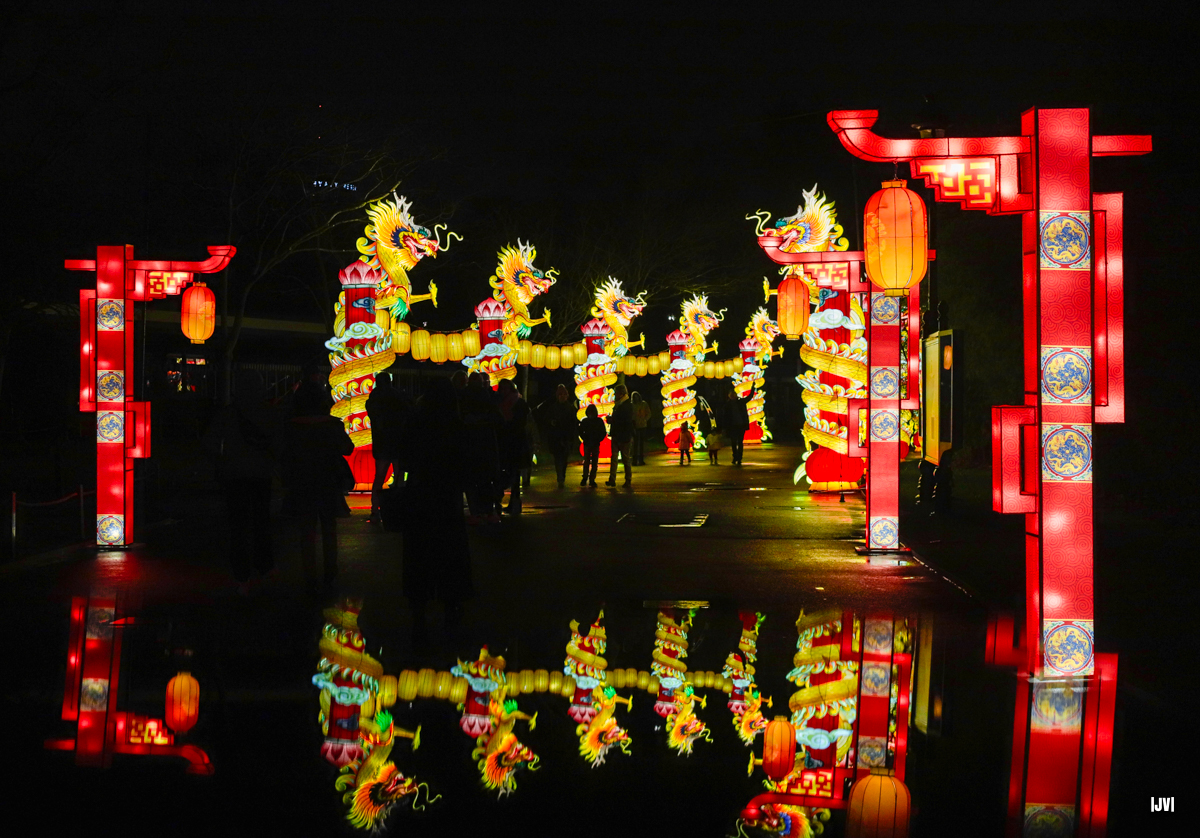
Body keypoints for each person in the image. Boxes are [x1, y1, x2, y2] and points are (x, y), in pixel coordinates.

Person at [400, 378, 473, 644]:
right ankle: (451, 604)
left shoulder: (416, 423)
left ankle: (418, 609)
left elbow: (405, 458)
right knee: (450, 551)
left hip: (420, 494)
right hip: (448, 497)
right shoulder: (456, 425)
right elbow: (466, 462)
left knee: (419, 553)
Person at [203, 369, 280, 596]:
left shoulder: (229, 413)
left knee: (238, 526)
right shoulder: (269, 412)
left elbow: (209, 442)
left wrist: (222, 461)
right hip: (261, 474)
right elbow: (279, 444)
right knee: (261, 521)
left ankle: (241, 575)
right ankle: (265, 565)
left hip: (234, 475)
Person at [280, 381, 354, 591]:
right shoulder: (332, 425)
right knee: (329, 528)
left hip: (302, 481)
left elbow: (282, 453)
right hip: (328, 480)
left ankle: (309, 574)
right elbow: (347, 449)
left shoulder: (292, 426)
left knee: (307, 530)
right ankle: (330, 570)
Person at [365, 371, 410, 524]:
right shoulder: (398, 397)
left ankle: (375, 510)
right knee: (399, 477)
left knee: (379, 477)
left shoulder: (373, 400)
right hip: (398, 442)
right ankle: (399, 509)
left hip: (381, 443)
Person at [461, 372, 501, 522]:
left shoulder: (464, 397)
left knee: (472, 481)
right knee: (485, 480)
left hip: (470, 445)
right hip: (485, 444)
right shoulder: (486, 397)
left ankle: (475, 512)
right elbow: (497, 418)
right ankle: (488, 511)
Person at [495, 378, 530, 515]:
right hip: (504, 442)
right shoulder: (499, 403)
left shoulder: (519, 403)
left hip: (516, 442)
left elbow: (522, 423)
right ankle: (506, 501)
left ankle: (514, 502)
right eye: (501, 388)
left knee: (515, 472)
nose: (503, 391)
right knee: (507, 472)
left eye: (506, 388)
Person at [539, 383, 578, 487]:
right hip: (556, 437)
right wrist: (551, 422)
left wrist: (571, 437)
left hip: (566, 437)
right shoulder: (553, 408)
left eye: (564, 394)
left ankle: (562, 477)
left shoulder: (570, 408)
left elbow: (573, 424)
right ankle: (560, 477)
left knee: (564, 459)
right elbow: (546, 420)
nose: (562, 396)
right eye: (560, 394)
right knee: (558, 458)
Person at [606, 384, 634, 487]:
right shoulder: (620, 404)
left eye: (616, 393)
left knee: (625, 458)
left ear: (621, 393)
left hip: (624, 436)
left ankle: (627, 480)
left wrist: (612, 420)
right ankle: (612, 479)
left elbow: (625, 421)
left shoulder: (626, 405)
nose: (615, 395)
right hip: (618, 434)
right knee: (615, 458)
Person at [578, 404, 606, 487]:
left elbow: (580, 431)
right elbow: (603, 432)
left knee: (587, 461)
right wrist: (598, 439)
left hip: (589, 443)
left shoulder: (585, 421)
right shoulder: (598, 421)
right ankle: (591, 479)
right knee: (593, 462)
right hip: (594, 443)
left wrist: (584, 438)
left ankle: (586, 478)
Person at [724, 388, 751, 466]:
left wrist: (753, 388)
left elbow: (749, 397)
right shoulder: (728, 405)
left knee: (738, 442)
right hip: (735, 426)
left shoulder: (737, 403)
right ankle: (736, 457)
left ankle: (738, 457)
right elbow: (725, 417)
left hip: (739, 425)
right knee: (735, 442)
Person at [631, 391, 651, 465]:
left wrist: (645, 419)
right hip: (635, 425)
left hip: (642, 425)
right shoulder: (632, 405)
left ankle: (641, 459)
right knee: (635, 444)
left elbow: (648, 413)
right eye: (634, 397)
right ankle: (635, 460)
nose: (636, 398)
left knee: (641, 443)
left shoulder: (643, 404)